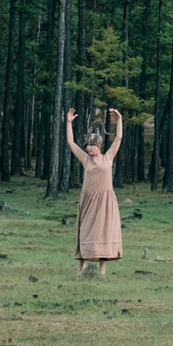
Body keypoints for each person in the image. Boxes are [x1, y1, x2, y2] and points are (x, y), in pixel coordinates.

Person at [67, 107, 124, 274]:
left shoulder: (108, 158)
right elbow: (71, 143)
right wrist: (69, 123)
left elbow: (118, 138)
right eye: (86, 146)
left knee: (103, 232)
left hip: (105, 202)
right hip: (89, 200)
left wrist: (119, 119)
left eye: (90, 146)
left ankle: (102, 269)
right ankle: (81, 264)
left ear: (97, 144)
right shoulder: (86, 160)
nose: (87, 148)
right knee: (85, 231)